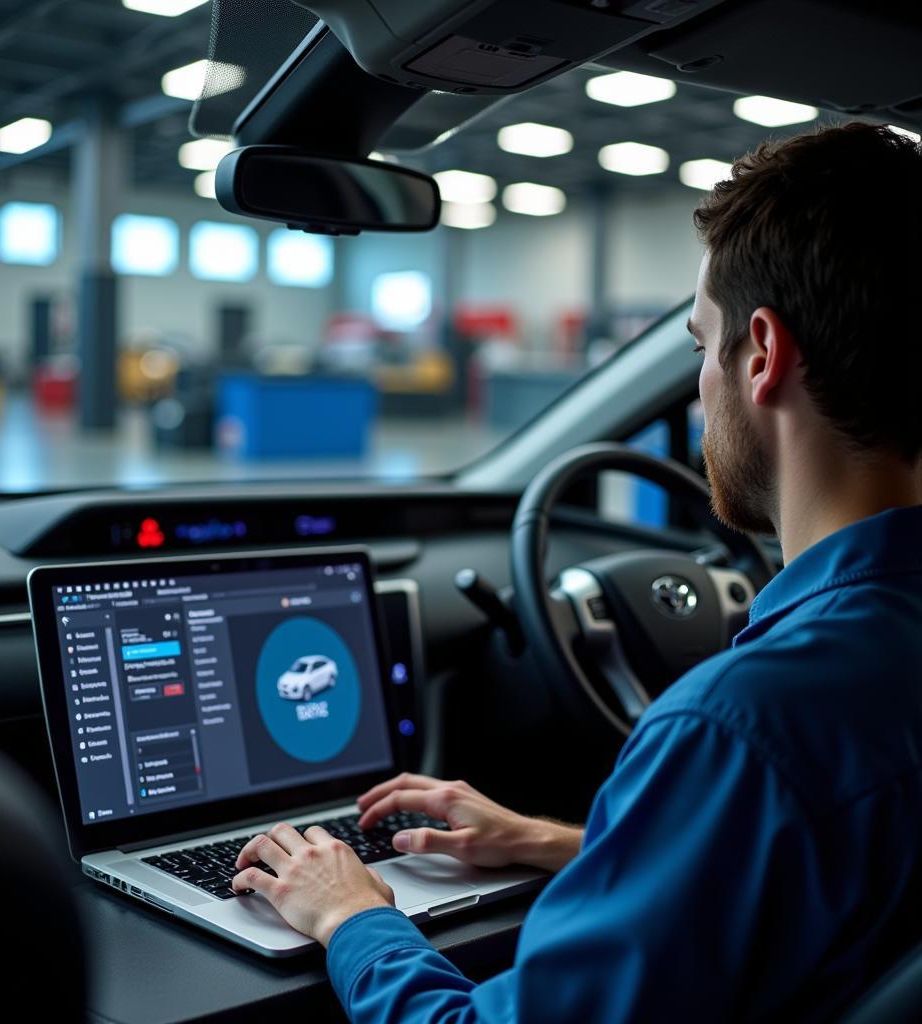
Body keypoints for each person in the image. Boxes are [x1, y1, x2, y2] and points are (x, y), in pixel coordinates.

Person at [230, 122, 922, 1021]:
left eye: (698, 344)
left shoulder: (742, 730)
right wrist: (559, 841)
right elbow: (814, 865)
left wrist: (353, 915)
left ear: (761, 355)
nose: (701, 379)